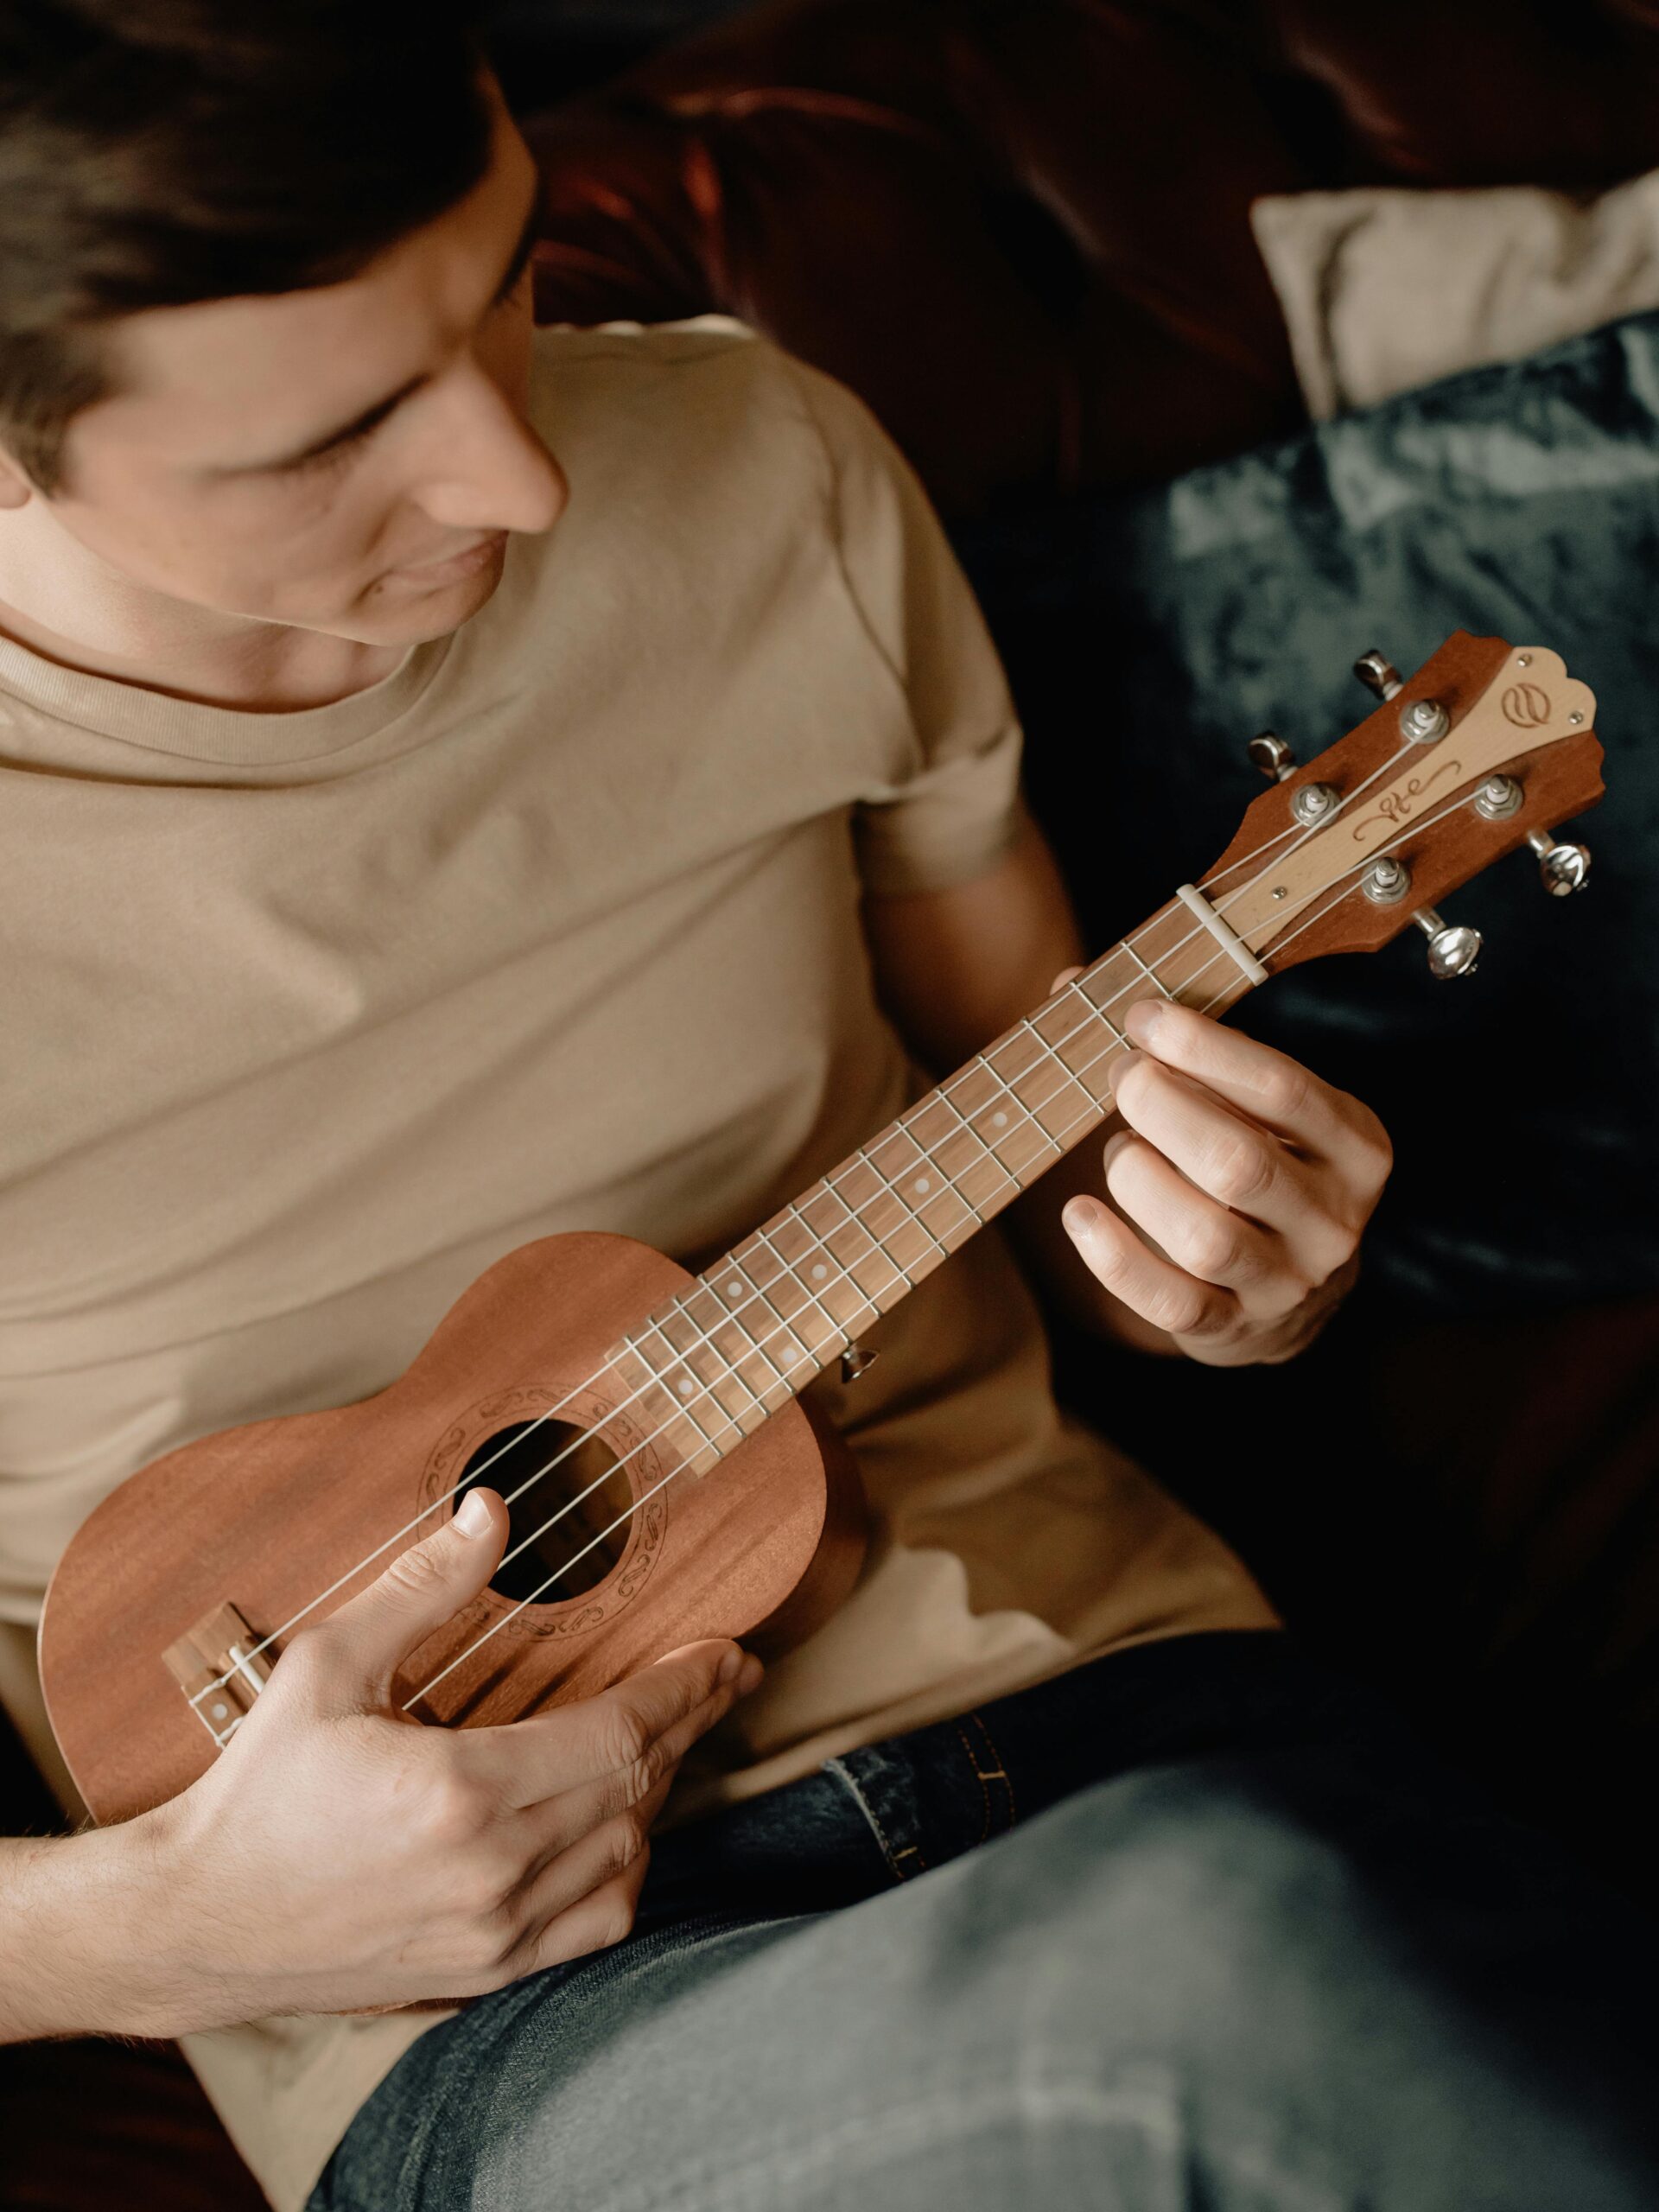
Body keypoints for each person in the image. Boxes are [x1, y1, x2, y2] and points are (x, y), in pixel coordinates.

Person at [0, 7, 1652, 2209]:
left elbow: (1039, 1090)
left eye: (500, 276)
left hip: (1128, 1710)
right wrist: (159, 1926)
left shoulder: (767, 464)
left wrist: (1212, 1272)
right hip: (505, 2021)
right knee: (1225, 1984)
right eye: (338, 433)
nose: (526, 477)